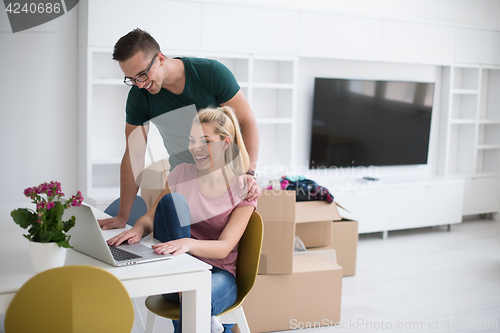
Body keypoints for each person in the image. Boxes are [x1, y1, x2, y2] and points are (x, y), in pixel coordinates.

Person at [107, 106, 256, 333]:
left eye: (205, 140)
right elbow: (152, 215)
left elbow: (225, 247)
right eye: (192, 140)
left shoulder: (243, 189)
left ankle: (210, 325)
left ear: (226, 142)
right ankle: (211, 325)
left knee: (194, 301)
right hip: (174, 272)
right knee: (171, 202)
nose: (195, 148)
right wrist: (139, 228)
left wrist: (188, 244)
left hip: (218, 275)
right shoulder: (180, 173)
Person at [99, 28, 260, 230]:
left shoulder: (211, 73)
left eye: (142, 74)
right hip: (182, 184)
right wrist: (123, 215)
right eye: (131, 79)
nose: (139, 85)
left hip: (226, 184)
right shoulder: (139, 97)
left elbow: (247, 122)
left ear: (160, 58)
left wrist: (249, 173)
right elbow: (134, 155)